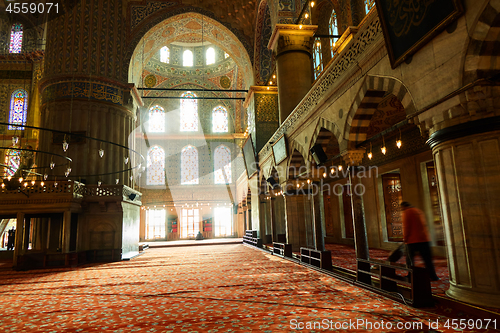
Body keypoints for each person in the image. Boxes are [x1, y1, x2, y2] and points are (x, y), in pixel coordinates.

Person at [401, 201, 440, 281]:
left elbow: (406, 226)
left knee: (410, 260)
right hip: (424, 239)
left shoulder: (407, 212)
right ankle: (433, 275)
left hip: (412, 240)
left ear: (404, 207)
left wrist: (405, 238)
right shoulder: (418, 211)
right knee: (427, 260)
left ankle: (411, 275)